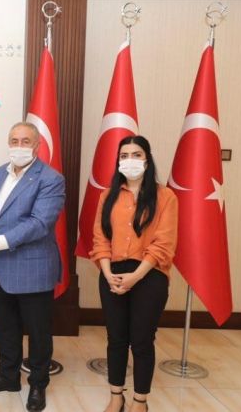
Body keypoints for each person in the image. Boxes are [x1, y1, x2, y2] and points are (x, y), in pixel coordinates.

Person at [0, 122, 65, 412]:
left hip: (32, 267)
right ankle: (8, 376)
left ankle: (38, 383)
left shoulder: (51, 179)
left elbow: (39, 223)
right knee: (4, 326)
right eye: (14, 140)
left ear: (37, 145)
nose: (19, 146)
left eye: (25, 141)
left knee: (38, 331)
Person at [90, 135, 178, 412]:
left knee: (141, 340)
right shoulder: (108, 196)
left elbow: (163, 244)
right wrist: (107, 273)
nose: (130, 160)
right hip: (112, 273)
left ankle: (140, 401)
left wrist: (135, 277)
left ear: (147, 160)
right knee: (116, 339)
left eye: (136, 155)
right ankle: (116, 396)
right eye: (124, 156)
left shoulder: (165, 196)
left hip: (149, 274)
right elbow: (100, 239)